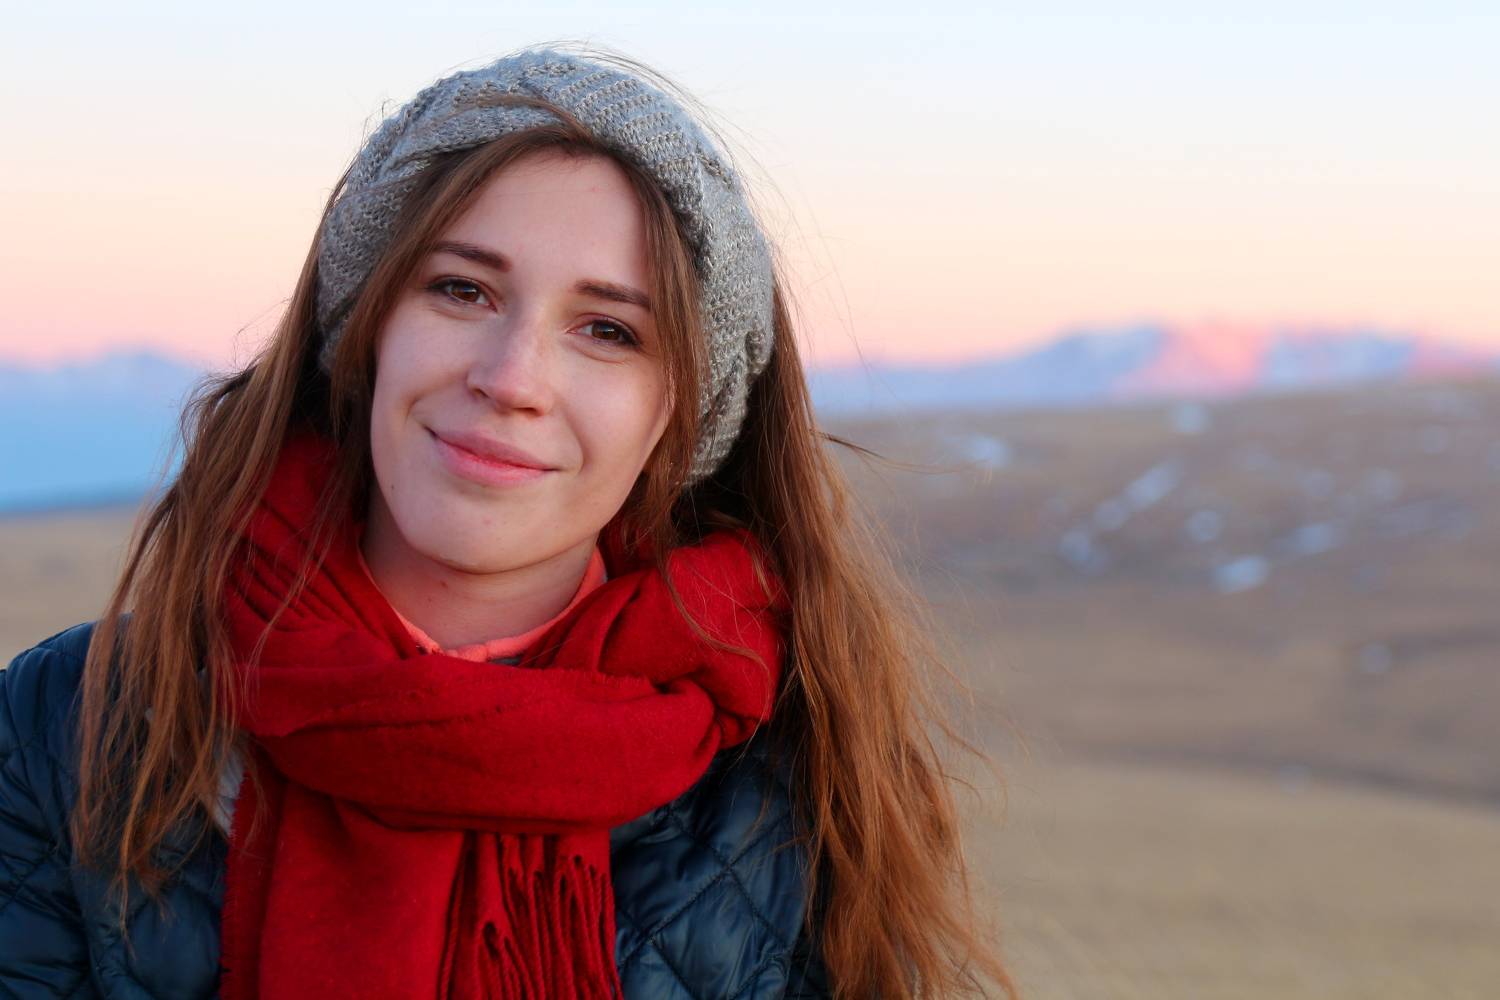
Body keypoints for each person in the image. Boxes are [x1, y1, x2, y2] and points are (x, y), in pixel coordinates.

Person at [0, 43, 1019, 999]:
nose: (513, 378)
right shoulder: (65, 727)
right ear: (366, 327)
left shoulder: (797, 781)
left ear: (681, 415)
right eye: (462, 290)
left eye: (608, 330)